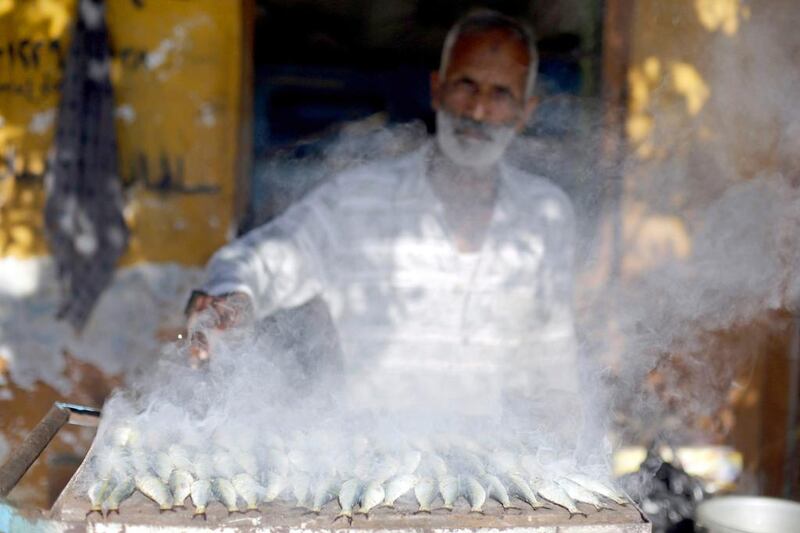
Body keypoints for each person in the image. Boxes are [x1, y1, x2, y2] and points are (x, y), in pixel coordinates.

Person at [186, 10, 579, 415]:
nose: (478, 110)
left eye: (501, 94)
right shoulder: (357, 199)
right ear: (436, 89)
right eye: (466, 85)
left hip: (488, 472)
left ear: (525, 112)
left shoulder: (545, 213)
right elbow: (260, 259)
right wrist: (231, 300)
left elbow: (551, 362)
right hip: (372, 466)